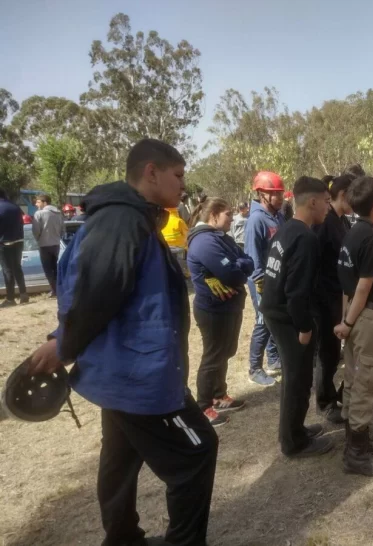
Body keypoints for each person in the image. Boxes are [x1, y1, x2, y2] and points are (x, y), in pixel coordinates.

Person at [27, 139, 217, 546]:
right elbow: (97, 289)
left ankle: (122, 538)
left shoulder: (132, 217)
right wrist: (64, 345)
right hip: (137, 375)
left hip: (120, 370)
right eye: (178, 175)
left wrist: (65, 340)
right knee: (196, 452)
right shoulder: (122, 220)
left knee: (120, 457)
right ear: (151, 172)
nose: (183, 185)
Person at [261, 176, 332, 457]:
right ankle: (294, 442)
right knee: (298, 378)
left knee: (296, 377)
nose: (328, 207)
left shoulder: (287, 229)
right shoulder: (305, 238)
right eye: (326, 201)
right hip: (289, 318)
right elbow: (297, 291)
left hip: (277, 312)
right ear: (312, 202)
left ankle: (296, 429)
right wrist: (303, 327)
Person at [335, 176, 373, 477]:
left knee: (354, 377)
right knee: (367, 383)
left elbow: (347, 286)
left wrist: (347, 321)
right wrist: (347, 323)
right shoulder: (371, 238)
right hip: (368, 318)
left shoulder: (352, 233)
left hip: (357, 318)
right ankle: (356, 455)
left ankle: (357, 441)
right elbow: (363, 286)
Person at [187, 198, 254, 427]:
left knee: (225, 352)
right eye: (228, 214)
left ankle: (218, 394)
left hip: (228, 307)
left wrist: (239, 265)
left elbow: (247, 261)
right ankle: (203, 405)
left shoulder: (220, 237)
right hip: (213, 310)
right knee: (213, 356)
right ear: (213, 214)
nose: (232, 218)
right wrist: (239, 267)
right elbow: (234, 275)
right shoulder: (204, 242)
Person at [313, 174, 353, 424]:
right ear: (343, 194)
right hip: (324, 298)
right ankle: (324, 403)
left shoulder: (342, 221)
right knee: (326, 353)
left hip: (338, 296)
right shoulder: (325, 224)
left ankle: (332, 395)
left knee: (333, 352)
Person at [245, 171, 286, 387]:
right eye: (275, 194)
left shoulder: (278, 216)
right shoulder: (256, 220)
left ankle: (273, 359)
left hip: (277, 278)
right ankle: (254, 368)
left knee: (273, 320)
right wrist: (262, 285)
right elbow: (253, 259)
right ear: (262, 195)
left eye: (280, 193)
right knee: (262, 322)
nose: (280, 198)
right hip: (262, 281)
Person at [32, 194, 65, 297]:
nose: (36, 204)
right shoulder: (59, 213)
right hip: (56, 244)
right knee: (55, 268)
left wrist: (39, 239)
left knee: (48, 269)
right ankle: (59, 289)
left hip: (44, 245)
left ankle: (54, 290)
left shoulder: (39, 214)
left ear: (44, 202)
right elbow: (63, 230)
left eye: (38, 202)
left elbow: (36, 230)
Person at [0, 188, 28, 307]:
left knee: (7, 270)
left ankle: (10, 299)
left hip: (4, 242)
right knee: (17, 267)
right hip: (19, 240)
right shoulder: (15, 206)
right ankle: (23, 294)